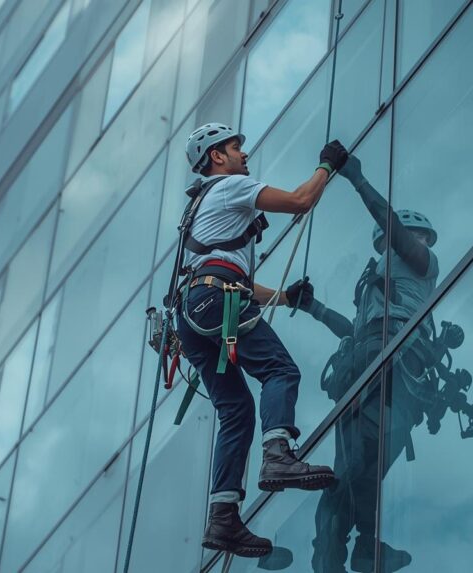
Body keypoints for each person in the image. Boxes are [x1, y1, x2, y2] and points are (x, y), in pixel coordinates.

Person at [174, 123, 349, 559]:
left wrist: (286, 297)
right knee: (280, 370)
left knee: (235, 411)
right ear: (217, 157)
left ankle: (222, 517)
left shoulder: (200, 207)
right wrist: (326, 166)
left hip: (193, 312)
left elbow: (223, 276)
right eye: (236, 148)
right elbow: (300, 200)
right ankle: (279, 455)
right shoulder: (231, 185)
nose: (243, 155)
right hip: (215, 298)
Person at [288, 154, 441, 572]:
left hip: (392, 363)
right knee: (358, 463)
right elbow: (356, 331)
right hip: (368, 363)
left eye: (417, 237)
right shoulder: (377, 283)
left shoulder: (421, 264)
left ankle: (357, 545)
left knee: (364, 463)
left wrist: (357, 179)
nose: (417, 242)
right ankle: (353, 546)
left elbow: (389, 223)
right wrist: (313, 307)